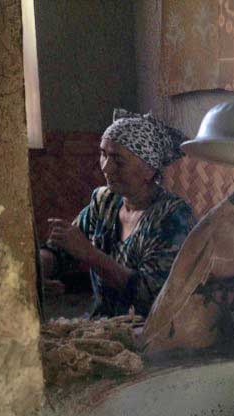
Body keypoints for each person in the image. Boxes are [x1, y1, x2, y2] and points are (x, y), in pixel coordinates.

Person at [40, 110, 195, 317]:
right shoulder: (105, 201)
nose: (106, 167)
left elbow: (151, 294)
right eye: (103, 154)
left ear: (149, 170)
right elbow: (61, 249)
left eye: (118, 161)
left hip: (152, 333)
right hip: (105, 324)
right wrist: (40, 272)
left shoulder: (172, 217)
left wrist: (90, 254)